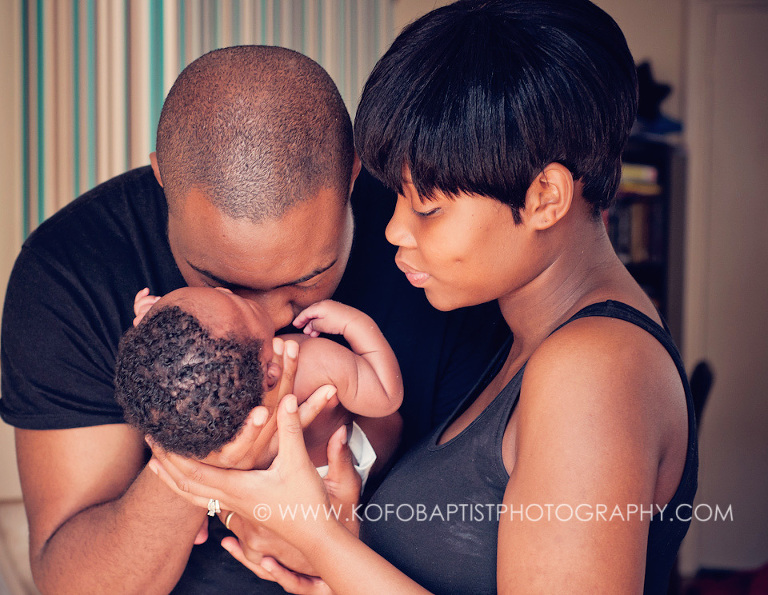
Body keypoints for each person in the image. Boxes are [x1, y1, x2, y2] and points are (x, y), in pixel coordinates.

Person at [148, 1, 699, 593]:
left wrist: (320, 541)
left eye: (428, 208)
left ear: (545, 197)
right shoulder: (534, 343)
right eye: (397, 197)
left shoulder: (593, 369)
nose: (393, 230)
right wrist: (334, 564)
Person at [0, 45, 507, 593]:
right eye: (221, 283)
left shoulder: (439, 251)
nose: (266, 327)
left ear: (353, 175)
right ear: (163, 178)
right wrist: (192, 465)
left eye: (306, 278)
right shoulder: (71, 270)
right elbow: (73, 584)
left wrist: (328, 541)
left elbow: (491, 522)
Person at [118, 287, 402, 481]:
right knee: (391, 424)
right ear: (271, 373)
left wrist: (154, 325)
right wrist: (355, 324)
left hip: (258, 500)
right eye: (244, 306)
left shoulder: (192, 409)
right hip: (332, 477)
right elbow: (387, 396)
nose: (225, 290)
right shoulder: (316, 362)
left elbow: (178, 364)